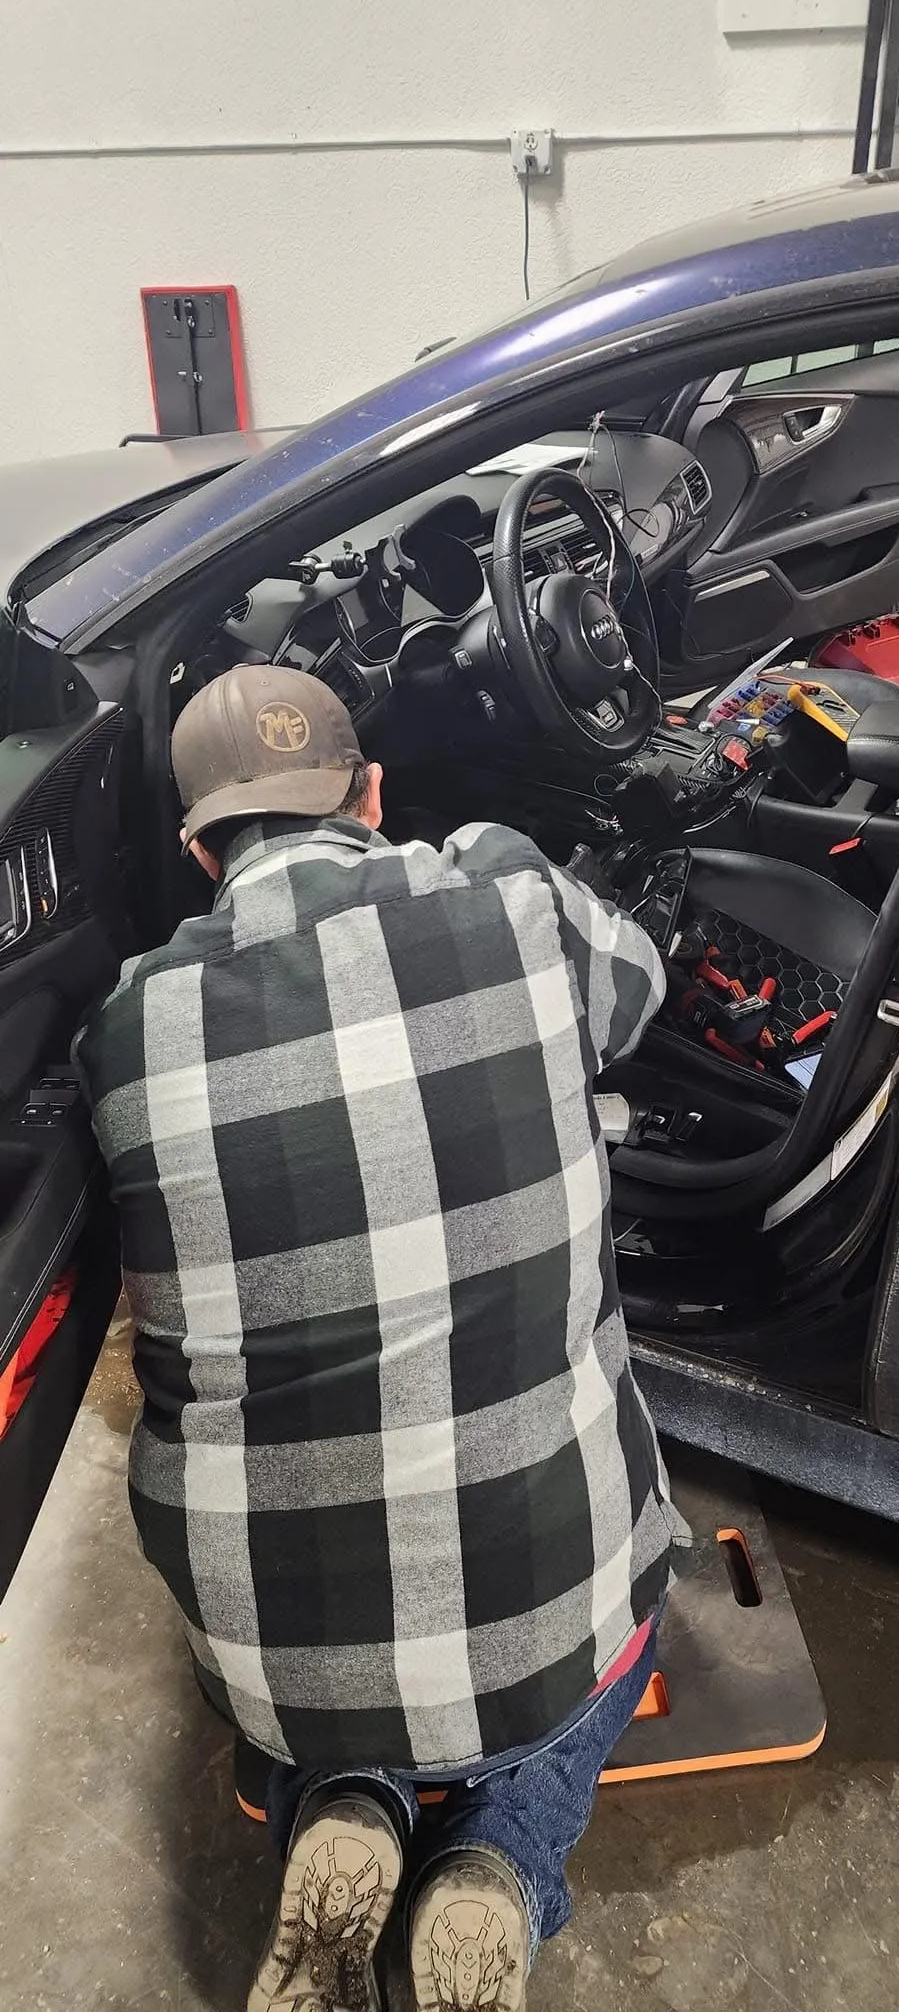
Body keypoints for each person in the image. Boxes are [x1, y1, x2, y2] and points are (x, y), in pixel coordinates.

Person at [75, 662, 689, 2012]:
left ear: (199, 850)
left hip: (271, 1657)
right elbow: (643, 990)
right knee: (629, 1616)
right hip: (536, 1606)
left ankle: (344, 1800)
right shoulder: (516, 903)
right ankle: (503, 1861)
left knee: (343, 1650)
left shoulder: (124, 1024)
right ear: (370, 793)